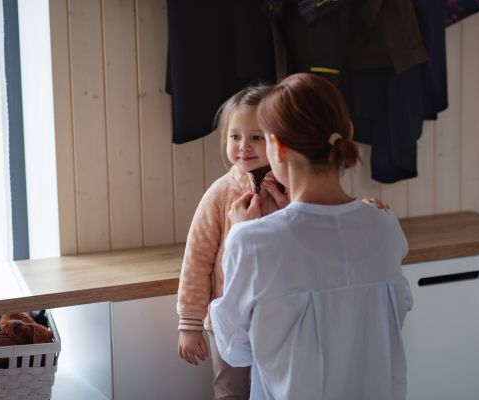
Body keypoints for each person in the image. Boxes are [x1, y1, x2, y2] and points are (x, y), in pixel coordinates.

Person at [210, 73, 414, 400]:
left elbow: (237, 351)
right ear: (347, 133)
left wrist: (238, 236)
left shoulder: (251, 240)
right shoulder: (384, 225)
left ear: (276, 147)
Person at [177, 83, 281, 400]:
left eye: (256, 137)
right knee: (231, 391)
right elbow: (197, 261)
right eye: (235, 136)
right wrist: (190, 324)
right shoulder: (220, 194)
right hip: (227, 322)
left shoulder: (291, 190)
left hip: (280, 317)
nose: (243, 146)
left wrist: (364, 205)